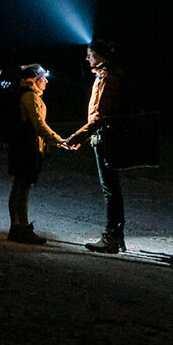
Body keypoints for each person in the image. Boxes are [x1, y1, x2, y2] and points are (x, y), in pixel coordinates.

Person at [63, 42, 126, 254]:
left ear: (99, 55)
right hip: (104, 137)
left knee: (110, 189)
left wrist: (78, 135)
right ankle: (117, 235)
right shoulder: (103, 75)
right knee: (112, 188)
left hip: (106, 138)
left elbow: (100, 116)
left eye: (90, 54)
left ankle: (111, 237)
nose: (87, 58)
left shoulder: (107, 78)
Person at [7, 63, 67, 244]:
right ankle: (22, 229)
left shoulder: (28, 95)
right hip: (27, 148)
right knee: (23, 188)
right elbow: (38, 124)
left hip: (21, 147)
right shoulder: (29, 97)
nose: (46, 82)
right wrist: (58, 140)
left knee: (19, 186)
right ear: (34, 80)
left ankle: (16, 227)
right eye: (43, 78)